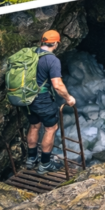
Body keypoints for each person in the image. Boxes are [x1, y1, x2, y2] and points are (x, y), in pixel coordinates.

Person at [25, 30, 76, 174]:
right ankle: (45, 163)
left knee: (34, 125)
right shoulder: (52, 60)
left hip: (26, 98)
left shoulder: (30, 54)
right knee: (50, 128)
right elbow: (57, 85)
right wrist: (68, 99)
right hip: (41, 99)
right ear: (55, 43)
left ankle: (31, 159)